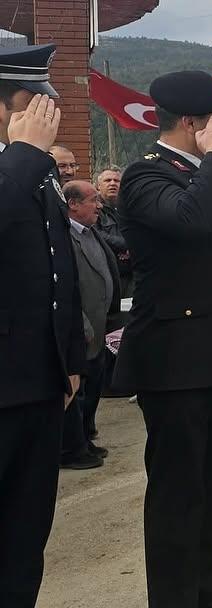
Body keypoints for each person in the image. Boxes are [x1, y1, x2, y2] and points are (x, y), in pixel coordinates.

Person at [113, 70, 212, 608]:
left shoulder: (204, 175)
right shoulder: (146, 175)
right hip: (175, 362)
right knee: (178, 495)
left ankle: (209, 590)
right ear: (191, 124)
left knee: (211, 489)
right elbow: (190, 221)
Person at [0, 44, 85, 608]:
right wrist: (24, 157)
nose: (44, 120)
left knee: (26, 537)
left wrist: (70, 360)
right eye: (32, 105)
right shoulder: (22, 164)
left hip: (37, 380)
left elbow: (60, 270)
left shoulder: (29, 167)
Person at [62, 180, 121, 469]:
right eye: (92, 200)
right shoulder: (64, 237)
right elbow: (70, 287)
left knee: (94, 386)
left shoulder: (91, 232)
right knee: (77, 391)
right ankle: (71, 449)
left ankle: (85, 438)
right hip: (82, 329)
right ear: (72, 205)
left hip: (100, 327)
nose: (99, 206)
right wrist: (82, 324)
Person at [95, 166, 134, 297]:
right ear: (98, 186)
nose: (112, 183)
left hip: (131, 271)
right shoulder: (94, 209)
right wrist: (125, 246)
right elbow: (95, 234)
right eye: (107, 180)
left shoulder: (130, 209)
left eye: (116, 181)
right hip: (107, 273)